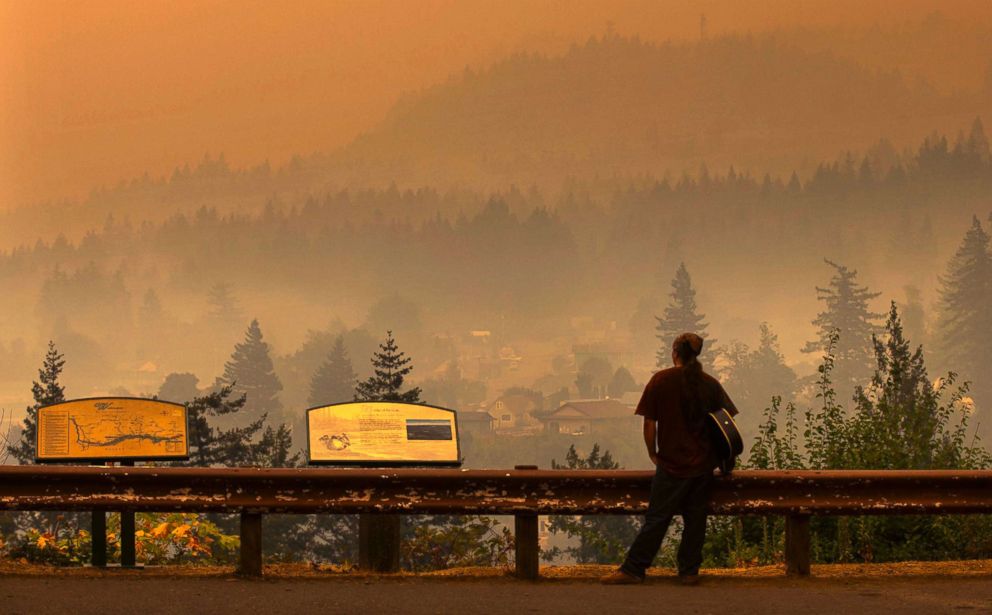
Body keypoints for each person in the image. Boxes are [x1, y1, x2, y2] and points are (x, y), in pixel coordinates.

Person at [601, 332, 738, 586]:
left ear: (675, 352)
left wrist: (653, 453)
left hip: (671, 465)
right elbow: (727, 421)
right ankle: (688, 572)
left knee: (657, 519)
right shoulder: (709, 384)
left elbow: (649, 424)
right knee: (695, 519)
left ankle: (634, 569)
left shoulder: (660, 381)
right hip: (702, 467)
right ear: (696, 355)